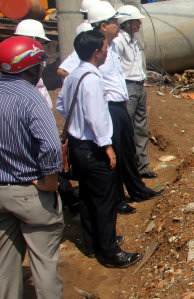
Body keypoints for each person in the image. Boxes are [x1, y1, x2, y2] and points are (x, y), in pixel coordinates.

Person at [0, 36, 86, 299]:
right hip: (30, 190)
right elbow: (49, 145)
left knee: (5, 258)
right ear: (32, 67)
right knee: (43, 258)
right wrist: (50, 180)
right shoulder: (30, 97)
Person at [56, 30, 142, 268]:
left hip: (77, 146)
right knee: (104, 201)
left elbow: (61, 104)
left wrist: (76, 124)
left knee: (87, 196)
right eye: (105, 48)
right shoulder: (92, 79)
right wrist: (107, 146)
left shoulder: (74, 75)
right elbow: (96, 118)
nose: (107, 52)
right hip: (94, 148)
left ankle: (93, 243)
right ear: (96, 52)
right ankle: (110, 251)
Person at [86, 1, 161, 205]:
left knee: (134, 135)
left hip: (131, 90)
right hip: (117, 99)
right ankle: (120, 195)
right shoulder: (106, 46)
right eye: (113, 21)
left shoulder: (119, 42)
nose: (138, 25)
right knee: (117, 147)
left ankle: (139, 176)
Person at [14, 19, 83, 212]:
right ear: (32, 39)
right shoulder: (23, 68)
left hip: (40, 116)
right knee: (46, 158)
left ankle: (64, 195)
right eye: (41, 42)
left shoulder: (32, 62)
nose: (43, 45)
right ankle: (58, 198)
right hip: (34, 120)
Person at [115, 4, 156, 178]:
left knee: (141, 127)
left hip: (139, 86)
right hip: (127, 87)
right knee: (127, 128)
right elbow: (115, 67)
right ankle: (127, 169)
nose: (139, 24)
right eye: (136, 21)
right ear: (126, 22)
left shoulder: (133, 40)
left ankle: (142, 167)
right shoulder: (118, 41)